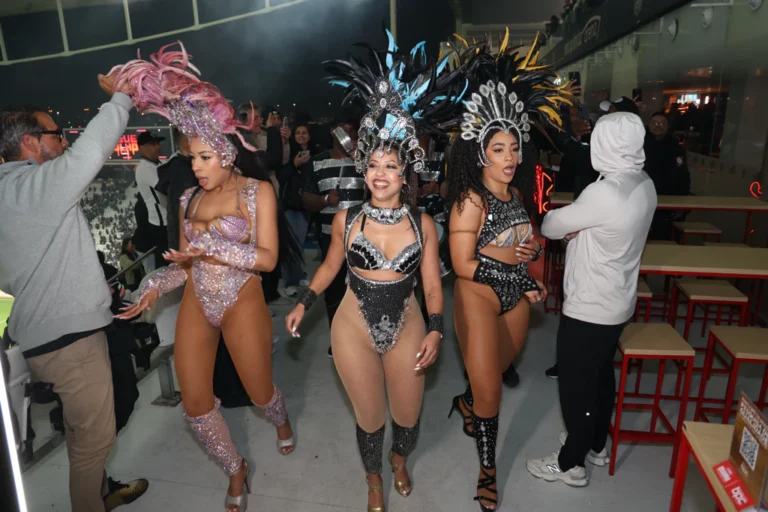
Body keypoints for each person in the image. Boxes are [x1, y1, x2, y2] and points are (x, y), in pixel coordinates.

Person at [112, 43, 302, 512]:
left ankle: (279, 417)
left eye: (202, 157)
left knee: (259, 391)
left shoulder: (257, 192)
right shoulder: (188, 199)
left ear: (225, 154)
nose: (194, 167)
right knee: (195, 403)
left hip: (242, 299)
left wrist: (212, 247)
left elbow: (267, 260)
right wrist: (152, 285)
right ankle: (235, 468)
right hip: (198, 299)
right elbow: (185, 262)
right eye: (191, 158)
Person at [286, 32, 464, 512]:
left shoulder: (423, 224)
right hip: (352, 326)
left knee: (407, 417)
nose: (380, 173)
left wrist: (436, 329)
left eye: (390, 165)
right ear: (363, 170)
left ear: (405, 173)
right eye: (373, 165)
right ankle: (372, 480)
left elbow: (432, 286)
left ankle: (399, 459)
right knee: (369, 418)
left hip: (407, 325)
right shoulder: (347, 220)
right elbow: (329, 266)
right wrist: (304, 301)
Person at [0, 76, 148, 512]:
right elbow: (91, 151)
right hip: (71, 342)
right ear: (29, 142)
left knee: (84, 433)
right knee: (92, 443)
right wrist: (121, 96)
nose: (63, 140)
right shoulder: (31, 187)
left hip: (47, 336)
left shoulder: (9, 192)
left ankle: (103, 492)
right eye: (55, 133)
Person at [446, 35, 571, 511]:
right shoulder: (470, 200)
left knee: (494, 370)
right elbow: (463, 264)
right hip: (477, 295)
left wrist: (528, 257)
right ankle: (488, 471)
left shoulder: (516, 197)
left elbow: (522, 247)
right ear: (481, 154)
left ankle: (466, 402)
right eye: (499, 149)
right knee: (492, 393)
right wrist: (515, 270)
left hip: (513, 297)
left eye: (514, 148)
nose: (510, 157)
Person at [527, 112, 657, 487]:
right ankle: (597, 443)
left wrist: (575, 229)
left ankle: (571, 463)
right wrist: (583, 230)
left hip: (590, 303)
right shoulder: (644, 182)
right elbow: (606, 228)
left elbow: (551, 225)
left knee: (576, 384)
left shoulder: (605, 192)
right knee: (599, 375)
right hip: (618, 298)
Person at [300, 117, 364, 357]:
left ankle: (361, 340)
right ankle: (338, 340)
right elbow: (306, 198)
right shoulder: (317, 162)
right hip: (329, 238)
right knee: (334, 290)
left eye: (350, 129)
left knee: (361, 290)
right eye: (342, 129)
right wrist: (326, 199)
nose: (347, 132)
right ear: (331, 131)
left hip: (363, 239)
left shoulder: (364, 161)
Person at [278, 122, 314, 296]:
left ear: (309, 136)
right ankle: (289, 282)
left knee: (299, 243)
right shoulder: (289, 153)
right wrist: (294, 165)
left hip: (306, 204)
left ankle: (299, 275)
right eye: (298, 132)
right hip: (290, 204)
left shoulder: (315, 154)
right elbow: (281, 175)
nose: (301, 135)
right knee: (291, 244)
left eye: (304, 132)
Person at [644, 111, 691, 240]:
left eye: (662, 124)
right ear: (649, 125)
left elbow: (683, 176)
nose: (658, 126)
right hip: (642, 198)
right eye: (654, 123)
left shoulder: (675, 148)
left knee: (661, 237)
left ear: (667, 126)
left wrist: (682, 202)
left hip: (667, 200)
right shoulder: (639, 146)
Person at [134, 131, 169, 269]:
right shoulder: (144, 168)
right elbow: (164, 187)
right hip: (160, 222)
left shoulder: (160, 163)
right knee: (166, 262)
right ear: (142, 147)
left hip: (167, 218)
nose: (158, 147)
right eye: (152, 144)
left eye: (158, 143)